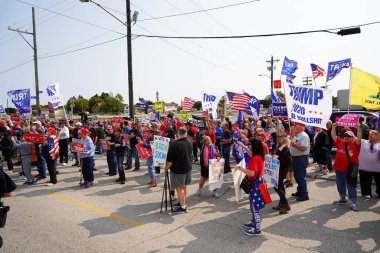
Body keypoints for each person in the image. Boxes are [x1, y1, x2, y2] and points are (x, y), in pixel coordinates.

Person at [235, 139, 265, 236]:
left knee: (254, 207)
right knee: (254, 206)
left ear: (254, 147)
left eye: (250, 145)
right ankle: (253, 223)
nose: (249, 146)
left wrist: (240, 169)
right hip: (258, 183)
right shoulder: (258, 156)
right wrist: (243, 146)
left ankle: (257, 229)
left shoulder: (256, 159)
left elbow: (252, 172)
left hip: (255, 185)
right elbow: (250, 153)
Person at [331, 123, 361, 211]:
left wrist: (358, 128)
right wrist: (333, 127)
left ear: (352, 137)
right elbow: (333, 135)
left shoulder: (356, 144)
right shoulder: (341, 142)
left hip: (351, 169)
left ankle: (353, 202)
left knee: (351, 185)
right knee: (340, 184)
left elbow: (359, 137)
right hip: (339, 168)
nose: (346, 137)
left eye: (349, 136)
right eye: (345, 135)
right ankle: (343, 198)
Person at [166, 128, 193, 214]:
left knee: (179, 188)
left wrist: (166, 167)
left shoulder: (175, 144)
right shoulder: (189, 141)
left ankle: (183, 207)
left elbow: (170, 161)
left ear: (178, 134)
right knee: (184, 186)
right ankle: (182, 202)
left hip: (178, 170)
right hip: (187, 168)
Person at [290, 122, 310, 201]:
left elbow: (304, 148)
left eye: (296, 126)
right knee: (297, 176)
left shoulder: (304, 136)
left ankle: (304, 194)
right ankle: (300, 191)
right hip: (296, 158)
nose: (294, 127)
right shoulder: (298, 135)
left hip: (301, 158)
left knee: (301, 176)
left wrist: (294, 144)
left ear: (301, 127)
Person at [272, 132, 292, 214]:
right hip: (277, 169)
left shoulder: (285, 148)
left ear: (284, 139)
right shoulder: (279, 146)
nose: (279, 139)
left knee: (276, 187)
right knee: (280, 186)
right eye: (278, 137)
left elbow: (288, 160)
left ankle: (286, 204)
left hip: (282, 170)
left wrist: (278, 158)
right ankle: (281, 204)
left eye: (281, 138)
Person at [358, 129, 379, 199]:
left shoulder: (379, 145)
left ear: (377, 137)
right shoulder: (363, 142)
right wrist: (358, 128)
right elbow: (357, 137)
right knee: (365, 181)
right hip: (364, 167)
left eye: (372, 134)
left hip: (377, 169)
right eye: (370, 134)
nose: (370, 135)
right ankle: (366, 193)